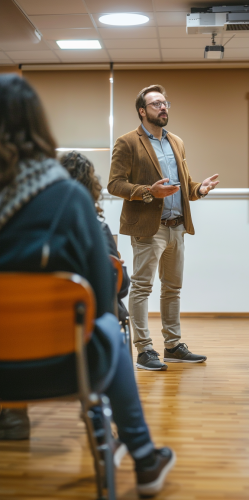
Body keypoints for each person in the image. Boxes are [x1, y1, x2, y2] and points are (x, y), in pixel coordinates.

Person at [0, 74, 175, 497]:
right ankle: (144, 458)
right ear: (39, 125)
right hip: (65, 367)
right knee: (111, 333)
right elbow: (101, 295)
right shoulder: (67, 197)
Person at [108, 84, 219, 371]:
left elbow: (185, 184)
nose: (163, 107)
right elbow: (114, 184)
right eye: (156, 104)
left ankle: (172, 346)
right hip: (148, 228)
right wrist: (148, 191)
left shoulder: (176, 142)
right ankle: (144, 350)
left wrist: (200, 189)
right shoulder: (128, 142)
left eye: (165, 103)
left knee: (172, 288)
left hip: (177, 226)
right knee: (142, 288)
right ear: (142, 111)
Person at [59, 150, 130, 321]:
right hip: (93, 323)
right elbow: (121, 287)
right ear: (92, 188)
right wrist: (116, 269)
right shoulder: (100, 230)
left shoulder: (42, 234)